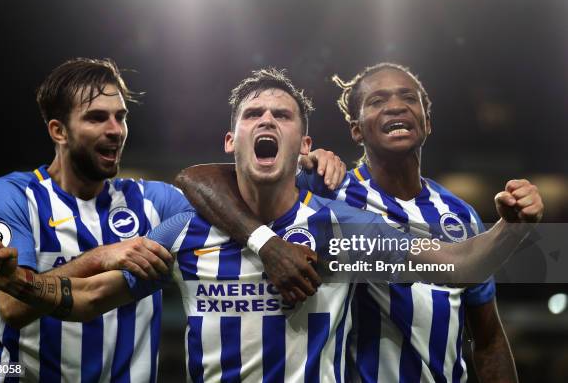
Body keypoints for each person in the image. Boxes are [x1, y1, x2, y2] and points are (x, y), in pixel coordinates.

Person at [0, 68, 543, 382]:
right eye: (252, 115)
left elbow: (457, 265)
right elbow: (86, 299)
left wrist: (510, 229)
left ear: (305, 145)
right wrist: (15, 283)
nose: (266, 120)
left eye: (282, 115)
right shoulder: (186, 229)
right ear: (232, 141)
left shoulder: (338, 229)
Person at [0, 59, 344, 382]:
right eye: (97, 118)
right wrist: (101, 256)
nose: (115, 129)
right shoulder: (12, 195)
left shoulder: (156, 201)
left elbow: (211, 189)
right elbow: (12, 307)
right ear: (58, 131)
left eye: (121, 117)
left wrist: (305, 171)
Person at [173, 63, 536, 382]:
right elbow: (204, 180)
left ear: (427, 121)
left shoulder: (459, 214)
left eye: (408, 97)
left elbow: (487, 336)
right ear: (356, 130)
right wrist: (269, 240)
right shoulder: (331, 192)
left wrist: (513, 227)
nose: (395, 105)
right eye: (377, 101)